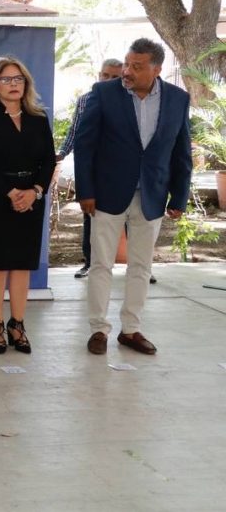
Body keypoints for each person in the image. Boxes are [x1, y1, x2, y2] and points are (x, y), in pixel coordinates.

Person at [75, 38, 191, 355]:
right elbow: (85, 146)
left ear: (156, 70)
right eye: (127, 64)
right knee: (101, 264)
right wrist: (86, 190)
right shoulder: (104, 93)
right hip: (107, 194)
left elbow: (182, 152)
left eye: (136, 67)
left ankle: (130, 330)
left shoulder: (178, 99)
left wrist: (179, 197)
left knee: (141, 266)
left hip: (152, 195)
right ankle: (98, 329)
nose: (127, 71)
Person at [0, 57, 56, 354]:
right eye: (6, 79)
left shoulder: (39, 118)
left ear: (26, 84)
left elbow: (48, 161)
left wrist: (35, 191)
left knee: (22, 264)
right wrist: (11, 192)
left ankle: (17, 325)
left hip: (31, 200)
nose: (13, 84)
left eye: (18, 79)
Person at [56, 59, 123, 278]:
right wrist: (62, 152)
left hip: (123, 170)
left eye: (115, 77)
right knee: (90, 216)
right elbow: (76, 131)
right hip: (93, 169)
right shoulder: (86, 99)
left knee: (132, 217)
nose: (109, 80)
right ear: (99, 75)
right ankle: (89, 263)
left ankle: (139, 267)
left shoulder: (130, 100)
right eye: (105, 75)